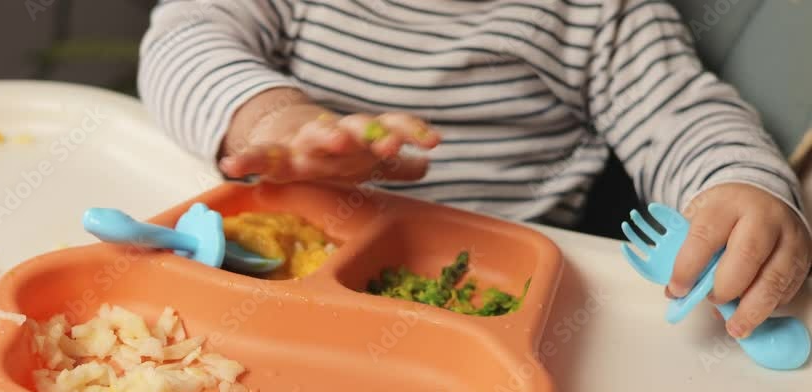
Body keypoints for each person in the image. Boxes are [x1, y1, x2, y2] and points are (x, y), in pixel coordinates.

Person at [138, 0, 811, 340]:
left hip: (482, 307)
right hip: (261, 273)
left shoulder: (599, 14)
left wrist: (738, 187)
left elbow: (678, 111)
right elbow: (185, 39)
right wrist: (275, 122)